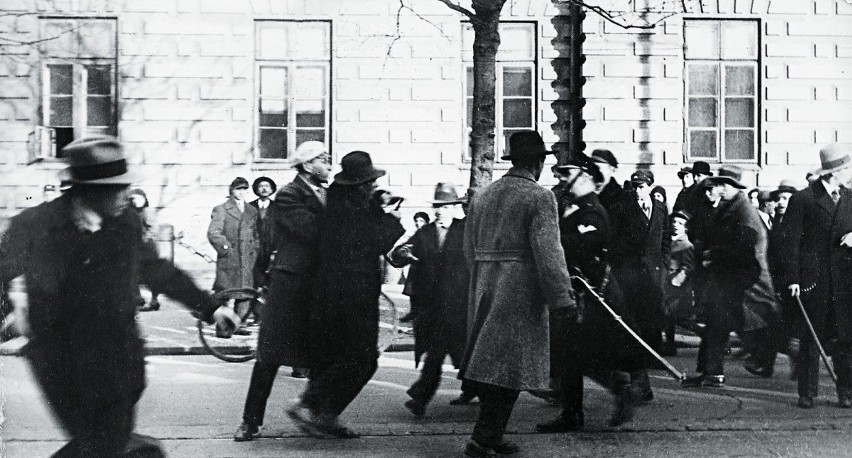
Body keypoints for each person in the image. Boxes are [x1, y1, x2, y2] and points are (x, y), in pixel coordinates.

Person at [0, 135, 236, 457]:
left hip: (121, 357)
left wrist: (211, 308)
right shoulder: (36, 225)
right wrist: (9, 313)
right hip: (64, 361)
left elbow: (157, 270)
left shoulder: (125, 221)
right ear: (91, 191)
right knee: (105, 444)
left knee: (103, 445)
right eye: (118, 187)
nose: (127, 194)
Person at [460, 130, 576, 457]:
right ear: (538, 162)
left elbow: (468, 249)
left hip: (485, 286)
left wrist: (484, 278)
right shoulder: (539, 197)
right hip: (519, 291)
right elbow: (549, 253)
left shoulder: (483, 195)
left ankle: (489, 436)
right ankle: (483, 440)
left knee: (493, 366)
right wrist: (562, 299)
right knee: (508, 370)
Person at [288, 151, 405, 438]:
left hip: (328, 293)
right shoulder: (353, 212)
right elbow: (375, 242)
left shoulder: (338, 204)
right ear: (360, 185)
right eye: (370, 183)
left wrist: (378, 208)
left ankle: (324, 416)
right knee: (363, 358)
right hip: (353, 295)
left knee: (334, 355)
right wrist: (391, 217)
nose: (373, 187)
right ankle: (310, 404)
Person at [234, 141, 331, 442]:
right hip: (290, 284)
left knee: (320, 351)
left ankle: (317, 416)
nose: (329, 164)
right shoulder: (289, 195)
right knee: (270, 355)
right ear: (306, 165)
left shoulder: (325, 193)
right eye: (323, 160)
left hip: (316, 284)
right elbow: (312, 231)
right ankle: (251, 421)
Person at [536, 153, 637, 433]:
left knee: (574, 354)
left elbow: (588, 244)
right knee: (579, 355)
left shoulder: (592, 210)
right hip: (579, 292)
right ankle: (616, 392)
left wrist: (552, 239)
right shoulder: (575, 207)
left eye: (569, 174)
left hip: (589, 294)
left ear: (587, 177)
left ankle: (581, 410)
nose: (563, 179)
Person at [683, 165, 774, 388]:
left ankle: (766, 358)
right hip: (731, 278)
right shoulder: (730, 207)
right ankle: (712, 372)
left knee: (742, 323)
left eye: (724, 184)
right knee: (717, 325)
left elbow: (744, 247)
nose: (719, 188)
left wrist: (714, 253)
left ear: (733, 187)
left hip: (745, 281)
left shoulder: (744, 212)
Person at [390, 183, 474, 417]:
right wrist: (403, 254)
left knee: (464, 354)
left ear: (454, 208)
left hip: (460, 306)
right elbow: (397, 255)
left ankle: (479, 393)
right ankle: (420, 398)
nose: (440, 211)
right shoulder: (424, 232)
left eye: (445, 207)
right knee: (436, 354)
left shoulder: (464, 230)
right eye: (437, 206)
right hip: (433, 307)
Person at [779, 144, 852, 409]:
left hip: (844, 282)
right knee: (812, 338)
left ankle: (846, 392)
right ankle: (807, 393)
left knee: (846, 339)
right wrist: (793, 278)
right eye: (847, 170)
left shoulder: (851, 197)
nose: (850, 174)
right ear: (834, 172)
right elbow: (789, 243)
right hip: (814, 282)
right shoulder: (804, 199)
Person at [608, 169, 670, 402]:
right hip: (632, 275)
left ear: (651, 187)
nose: (637, 191)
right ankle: (639, 382)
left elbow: (665, 238)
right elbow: (614, 243)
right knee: (634, 325)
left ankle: (641, 377)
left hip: (654, 272)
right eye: (634, 187)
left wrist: (664, 262)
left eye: (642, 186)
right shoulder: (622, 209)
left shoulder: (660, 208)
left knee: (651, 321)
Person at [207, 177, 259, 337]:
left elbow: (256, 233)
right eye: (238, 189)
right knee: (225, 294)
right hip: (230, 259)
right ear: (231, 191)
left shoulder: (251, 210)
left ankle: (237, 324)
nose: (241, 193)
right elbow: (214, 233)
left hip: (248, 259)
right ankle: (223, 328)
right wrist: (226, 249)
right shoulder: (221, 209)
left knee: (245, 295)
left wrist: (256, 248)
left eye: (244, 189)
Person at [663, 210, 695, 356]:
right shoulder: (669, 240)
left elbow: (688, 266)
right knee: (668, 316)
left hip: (678, 287)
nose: (675, 225)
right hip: (667, 282)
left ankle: (712, 338)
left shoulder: (686, 245)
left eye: (680, 223)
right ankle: (669, 346)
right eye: (674, 222)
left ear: (686, 228)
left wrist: (678, 280)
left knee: (682, 319)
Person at [129, 188, 162, 312]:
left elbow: (152, 229)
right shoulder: (131, 212)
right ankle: (138, 299)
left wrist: (143, 239)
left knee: (152, 274)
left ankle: (154, 300)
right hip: (135, 247)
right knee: (133, 272)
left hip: (147, 247)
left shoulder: (147, 211)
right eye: (133, 199)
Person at [398, 211, 432, 323]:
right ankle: (413, 312)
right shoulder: (416, 234)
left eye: (421, 221)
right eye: (416, 221)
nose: (418, 223)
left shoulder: (431, 234)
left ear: (427, 222)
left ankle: (421, 314)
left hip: (428, 268)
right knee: (412, 290)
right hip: (416, 267)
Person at [249, 176, 277, 292]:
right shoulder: (250, 207)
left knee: (271, 275)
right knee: (254, 274)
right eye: (261, 186)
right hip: (254, 246)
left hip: (272, 246)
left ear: (271, 190)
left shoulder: (278, 207)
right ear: (256, 190)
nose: (264, 189)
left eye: (267, 186)